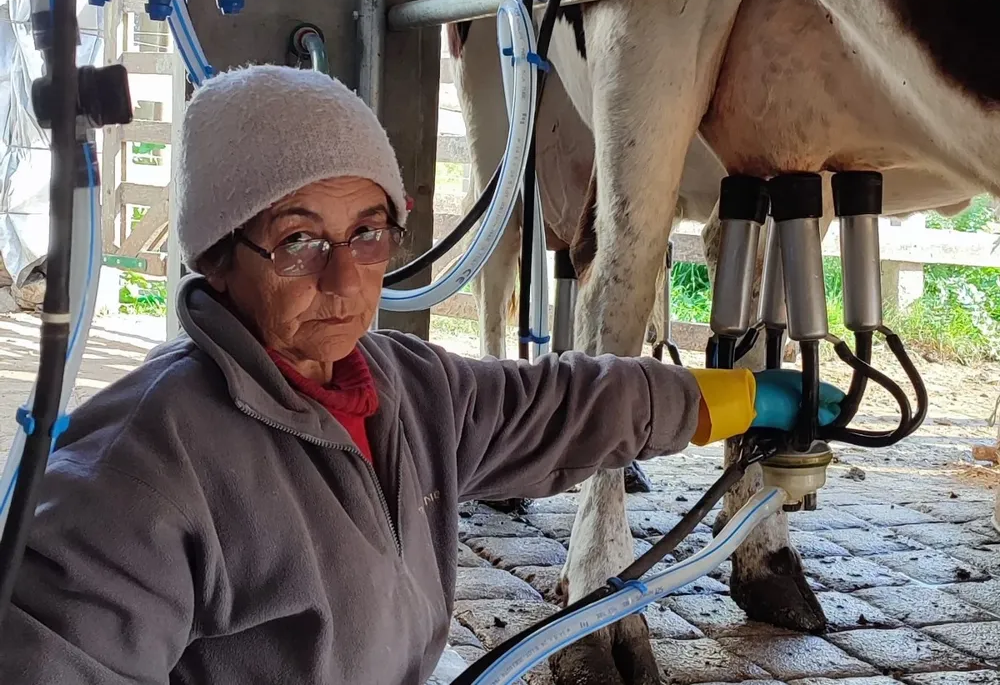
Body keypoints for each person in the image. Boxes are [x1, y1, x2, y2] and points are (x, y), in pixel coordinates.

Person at [0, 65, 844, 684]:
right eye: (298, 240)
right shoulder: (142, 465)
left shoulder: (404, 387)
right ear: (217, 258)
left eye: (368, 232)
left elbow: (562, 405)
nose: (344, 278)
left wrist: (736, 398)